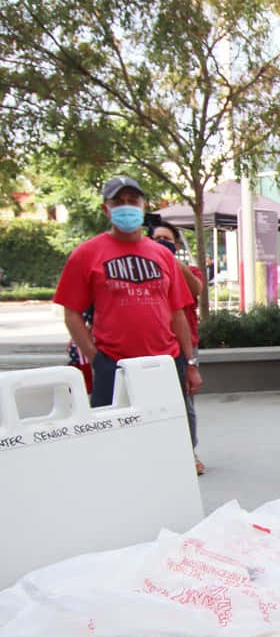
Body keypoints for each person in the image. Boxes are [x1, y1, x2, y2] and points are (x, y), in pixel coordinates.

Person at [54, 176, 203, 463]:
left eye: (132, 201)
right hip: (114, 363)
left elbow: (178, 313)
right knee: (113, 447)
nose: (126, 207)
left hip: (165, 361)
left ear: (143, 205)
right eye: (117, 202)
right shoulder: (86, 254)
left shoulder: (162, 255)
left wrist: (189, 363)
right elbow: (71, 313)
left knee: (170, 442)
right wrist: (95, 357)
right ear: (105, 209)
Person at [150, 221, 206, 475]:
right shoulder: (147, 269)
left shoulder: (187, 268)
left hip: (184, 345)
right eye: (158, 238)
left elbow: (197, 289)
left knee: (185, 400)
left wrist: (171, 259)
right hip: (153, 344)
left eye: (168, 239)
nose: (163, 242)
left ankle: (189, 451)